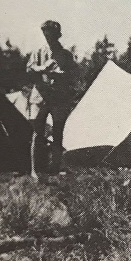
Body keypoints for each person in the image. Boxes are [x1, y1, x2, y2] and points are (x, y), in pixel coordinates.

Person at [27, 20, 78, 177]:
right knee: (37, 133)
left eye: (51, 35)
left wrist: (60, 75)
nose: (48, 37)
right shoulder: (38, 52)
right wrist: (42, 69)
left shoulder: (66, 55)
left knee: (58, 133)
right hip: (40, 97)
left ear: (58, 35)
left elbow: (74, 75)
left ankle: (54, 168)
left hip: (58, 98)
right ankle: (35, 171)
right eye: (45, 34)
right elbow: (29, 69)